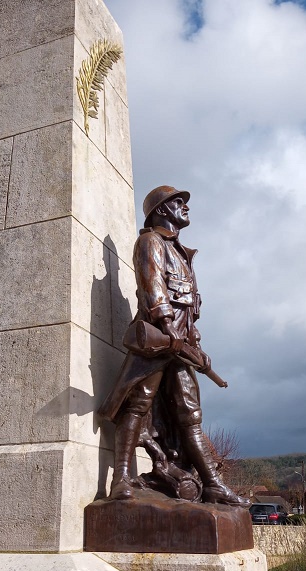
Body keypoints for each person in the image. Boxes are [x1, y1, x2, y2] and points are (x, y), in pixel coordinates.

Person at [99, 185, 249, 506]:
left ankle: (212, 485)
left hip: (180, 346)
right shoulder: (150, 242)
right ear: (162, 210)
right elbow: (152, 284)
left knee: (190, 414)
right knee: (137, 404)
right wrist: (167, 327)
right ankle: (121, 478)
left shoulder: (182, 254)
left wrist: (194, 342)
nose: (186, 207)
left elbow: (188, 310)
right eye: (179, 203)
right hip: (158, 341)